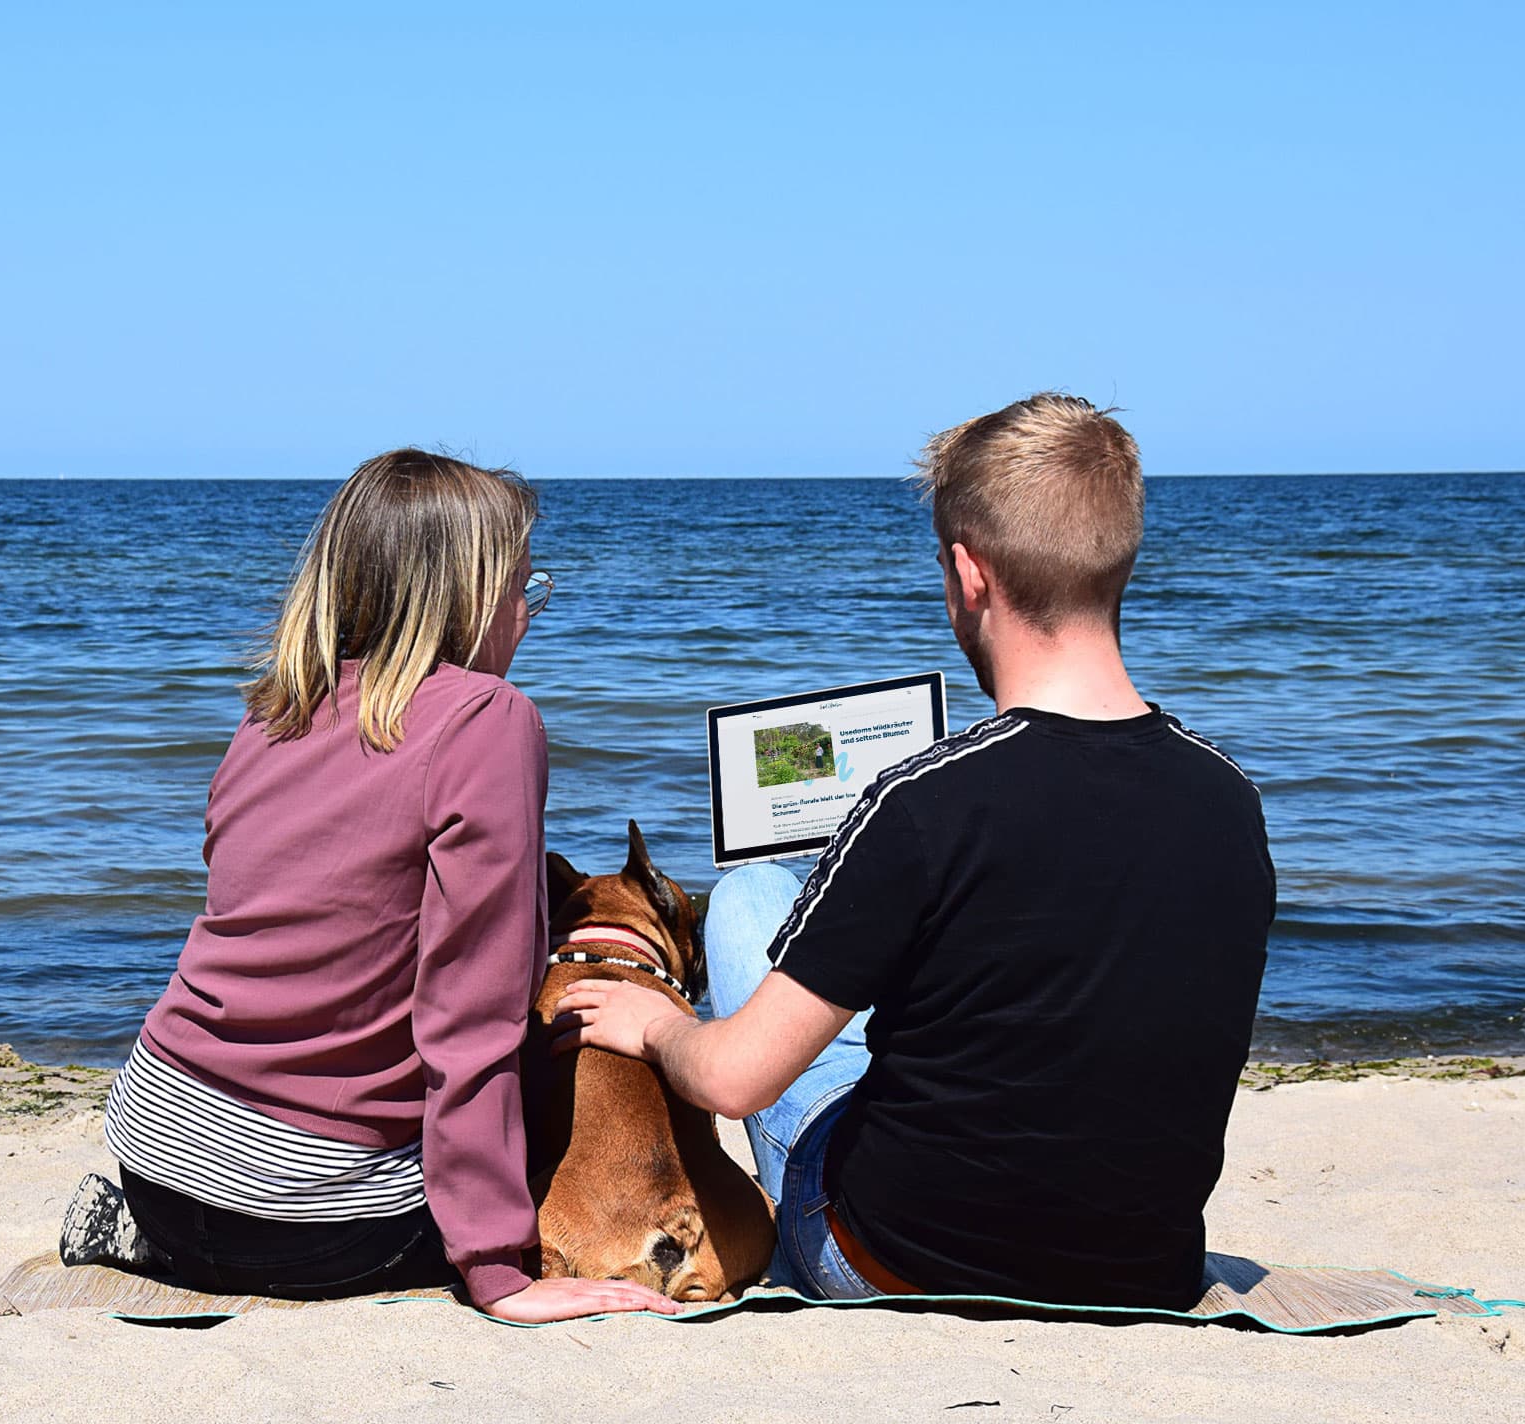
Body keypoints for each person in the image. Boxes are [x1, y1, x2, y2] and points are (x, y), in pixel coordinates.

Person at [553, 395, 1275, 1310]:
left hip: (893, 1257)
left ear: (968, 575)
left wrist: (654, 1025)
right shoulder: (1230, 799)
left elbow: (734, 1082)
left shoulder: (922, 800)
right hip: (1144, 1271)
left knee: (746, 901)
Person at [62, 449, 680, 1324]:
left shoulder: (273, 709)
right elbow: (471, 1012)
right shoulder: (488, 719)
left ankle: (153, 1238)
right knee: (551, 1107)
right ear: (460, 597)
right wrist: (498, 1268)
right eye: (518, 589)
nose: (526, 616)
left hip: (155, 1153)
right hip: (308, 1215)